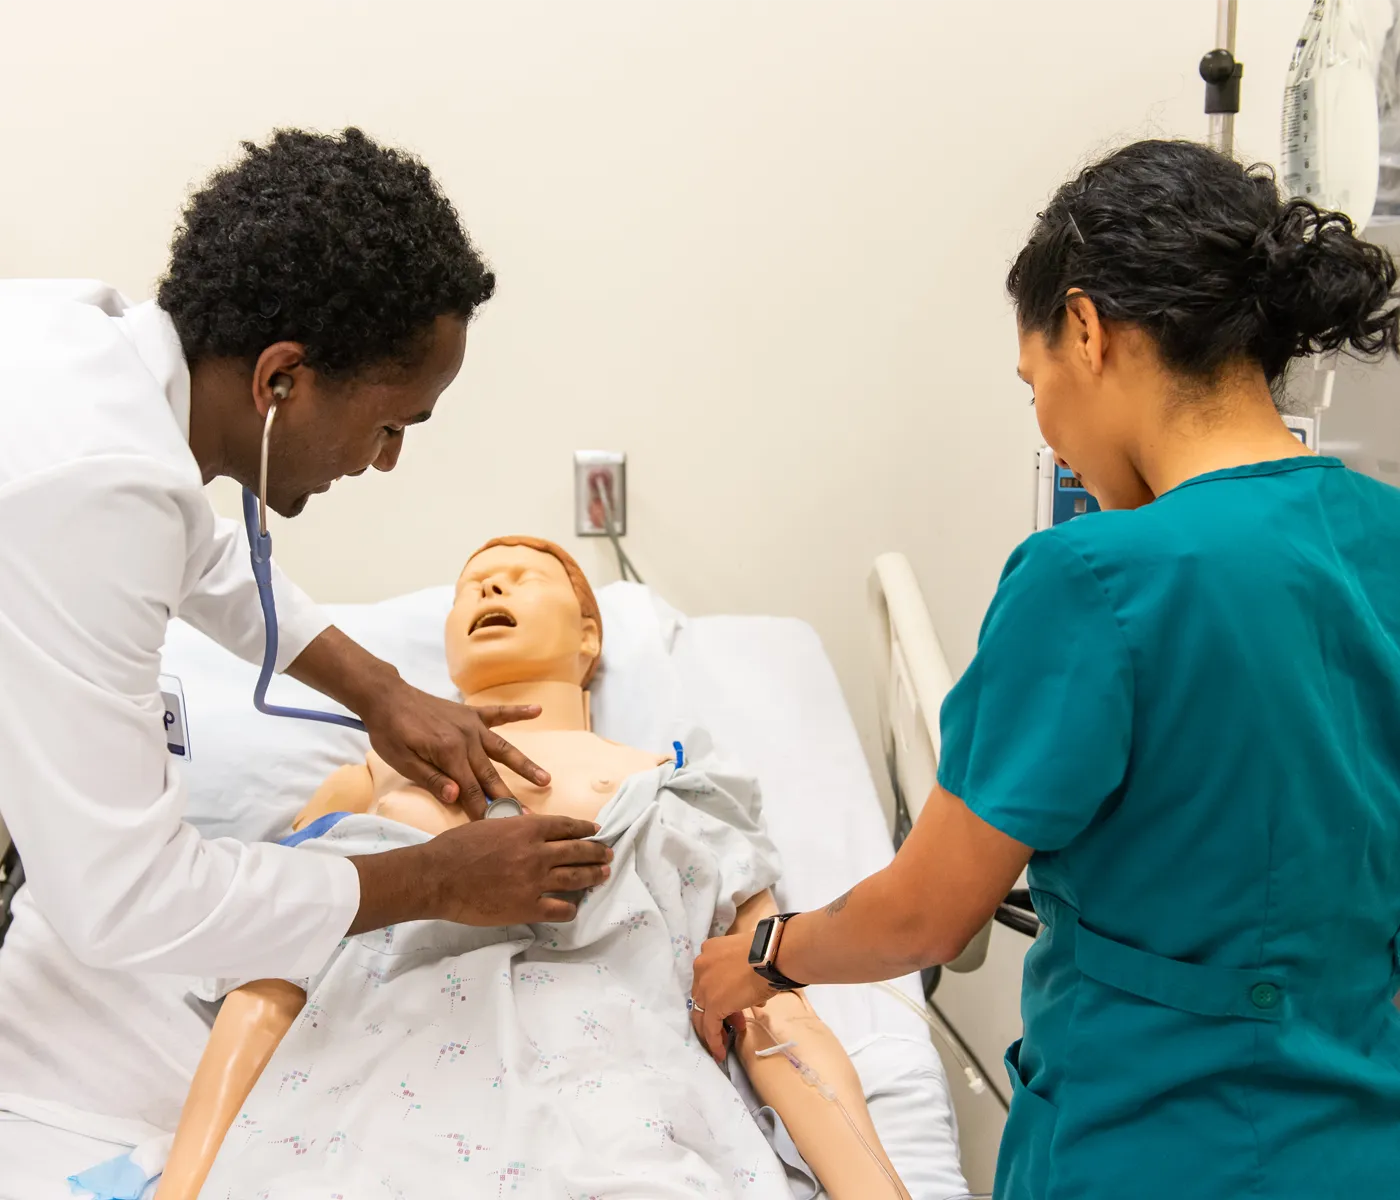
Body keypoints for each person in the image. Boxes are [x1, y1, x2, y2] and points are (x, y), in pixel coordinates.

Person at [690, 139, 1400, 1199]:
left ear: (1084, 327)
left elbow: (927, 917)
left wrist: (763, 951)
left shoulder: (1093, 578)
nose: (1050, 436)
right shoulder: (1379, 531)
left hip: (1151, 1142)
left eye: (1032, 383)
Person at [0, 128, 608, 985]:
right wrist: (436, 878)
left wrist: (380, 690)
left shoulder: (88, 356)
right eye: (391, 424)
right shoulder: (94, 493)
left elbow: (191, 547)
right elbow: (129, 902)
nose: (385, 459)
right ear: (280, 380)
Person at [151, 537, 909, 1200]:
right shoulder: (369, 781)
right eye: (470, 586)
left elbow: (772, 1006)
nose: (490, 587)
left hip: (614, 1096)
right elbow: (270, 983)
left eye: (525, 575)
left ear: (589, 639)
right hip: (375, 1096)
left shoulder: (678, 783)